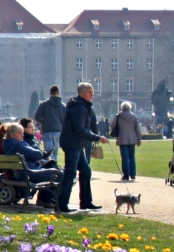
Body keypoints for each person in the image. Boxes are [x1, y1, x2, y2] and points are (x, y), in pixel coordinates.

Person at [58, 82, 108, 213]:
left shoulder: (83, 106)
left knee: (86, 171)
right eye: (89, 92)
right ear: (81, 94)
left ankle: (85, 202)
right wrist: (98, 138)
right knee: (70, 173)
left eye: (92, 92)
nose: (92, 95)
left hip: (77, 144)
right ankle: (62, 204)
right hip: (72, 144)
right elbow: (80, 129)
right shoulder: (79, 108)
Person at [1, 123, 62, 207]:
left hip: (23, 172)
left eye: (22, 133)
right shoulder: (17, 145)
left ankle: (45, 199)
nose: (22, 135)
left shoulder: (9, 144)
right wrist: (40, 153)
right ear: (11, 135)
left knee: (53, 171)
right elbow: (37, 154)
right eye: (19, 133)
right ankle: (46, 200)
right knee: (58, 174)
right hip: (29, 173)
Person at [34, 85, 66, 164]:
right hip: (58, 130)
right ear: (59, 93)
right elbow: (65, 120)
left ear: (50, 93)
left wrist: (44, 121)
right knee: (55, 152)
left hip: (47, 130)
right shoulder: (63, 106)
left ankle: (51, 167)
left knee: (48, 152)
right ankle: (55, 166)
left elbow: (37, 117)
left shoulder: (44, 104)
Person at [113, 101, 142, 181]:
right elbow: (137, 129)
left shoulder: (118, 116)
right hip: (132, 139)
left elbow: (112, 125)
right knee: (132, 157)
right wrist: (139, 140)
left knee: (125, 157)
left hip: (122, 138)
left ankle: (126, 175)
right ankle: (133, 174)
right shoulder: (133, 116)